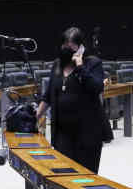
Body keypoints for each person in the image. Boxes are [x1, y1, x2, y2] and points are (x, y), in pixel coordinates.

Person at [36, 27, 112, 175]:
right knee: (64, 174)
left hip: (88, 132)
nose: (66, 50)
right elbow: (48, 96)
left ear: (80, 48)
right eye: (64, 46)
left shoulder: (92, 64)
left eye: (71, 47)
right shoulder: (57, 65)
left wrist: (79, 66)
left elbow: (96, 88)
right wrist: (36, 116)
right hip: (62, 132)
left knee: (85, 176)